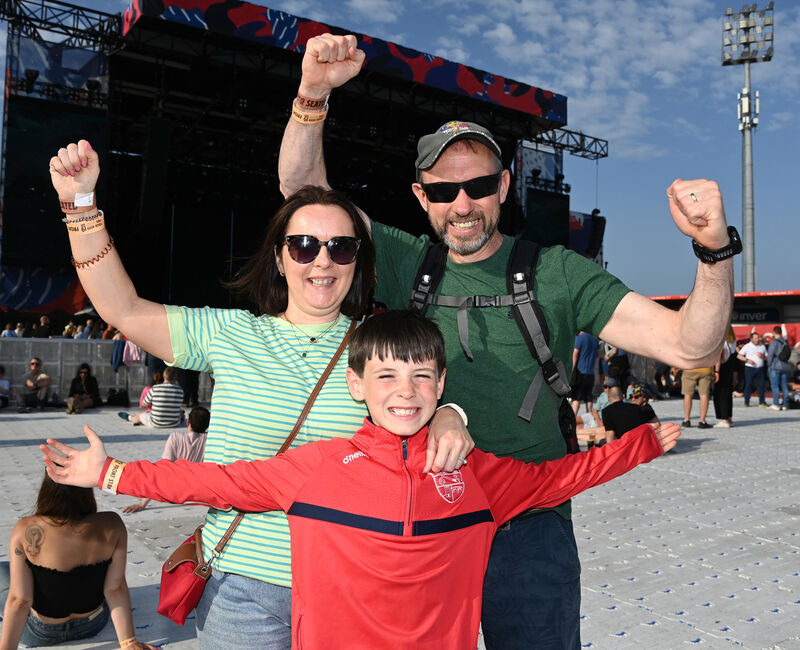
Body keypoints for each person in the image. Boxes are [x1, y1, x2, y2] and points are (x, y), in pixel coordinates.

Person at [278, 32, 735, 648]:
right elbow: (305, 197)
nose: (462, 204)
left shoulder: (558, 272)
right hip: (424, 522)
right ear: (421, 197)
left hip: (530, 526)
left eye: (478, 186)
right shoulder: (407, 258)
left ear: (504, 185)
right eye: (442, 190)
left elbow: (692, 347)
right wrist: (311, 95)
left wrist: (713, 250)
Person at [42, 311, 681, 649]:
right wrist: (113, 471)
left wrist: (641, 445)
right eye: (387, 378)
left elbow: (559, 478)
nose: (406, 393)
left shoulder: (476, 473)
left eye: (423, 377)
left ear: (441, 385)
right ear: (357, 387)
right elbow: (217, 482)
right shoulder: (318, 469)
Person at [49, 145, 470, 650]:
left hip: (351, 588)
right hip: (240, 589)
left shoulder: (377, 348)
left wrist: (449, 412)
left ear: (359, 262)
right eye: (304, 245)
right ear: (279, 255)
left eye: (341, 247)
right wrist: (81, 206)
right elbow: (123, 309)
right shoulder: (230, 333)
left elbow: (425, 390)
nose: (323, 260)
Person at [0, 473, 155, 649]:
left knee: (4, 573)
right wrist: (129, 643)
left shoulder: (24, 529)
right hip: (92, 624)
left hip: (41, 632)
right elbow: (114, 588)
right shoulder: (112, 524)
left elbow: (20, 600)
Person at [123, 406, 210, 513]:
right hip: (195, 492)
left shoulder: (175, 437)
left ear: (188, 422)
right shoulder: (209, 440)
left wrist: (142, 504)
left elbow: (162, 470)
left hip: (172, 494)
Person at [118, 366, 183, 428]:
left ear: (164, 376)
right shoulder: (180, 390)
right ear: (175, 377)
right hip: (174, 423)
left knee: (139, 415)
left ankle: (130, 418)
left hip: (155, 422)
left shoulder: (155, 388)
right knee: (180, 412)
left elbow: (144, 404)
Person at [713, 325, 737, 428]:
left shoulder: (722, 341)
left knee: (720, 393)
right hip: (730, 368)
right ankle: (729, 417)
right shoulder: (733, 342)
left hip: (722, 368)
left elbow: (720, 356)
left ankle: (724, 419)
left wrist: (716, 371)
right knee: (727, 394)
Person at [571, 331, 599, 416]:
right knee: (589, 396)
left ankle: (573, 417)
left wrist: (572, 369)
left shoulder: (580, 338)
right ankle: (589, 415)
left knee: (576, 397)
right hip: (591, 372)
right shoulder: (595, 339)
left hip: (580, 372)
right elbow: (598, 354)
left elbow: (575, 353)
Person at [738, 332, 767, 407]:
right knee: (748, 384)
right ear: (751, 339)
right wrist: (747, 360)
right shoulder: (747, 346)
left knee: (761, 385)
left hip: (760, 368)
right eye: (755, 338)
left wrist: (762, 356)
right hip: (750, 368)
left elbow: (766, 357)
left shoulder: (762, 346)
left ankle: (762, 401)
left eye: (758, 338)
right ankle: (747, 401)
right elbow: (739, 356)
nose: (757, 340)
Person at [766, 325, 790, 410]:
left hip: (775, 366)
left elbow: (770, 355)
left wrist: (769, 365)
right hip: (785, 366)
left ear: (774, 332)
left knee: (775, 385)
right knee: (784, 385)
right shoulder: (786, 342)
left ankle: (775, 404)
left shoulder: (774, 342)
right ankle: (785, 404)